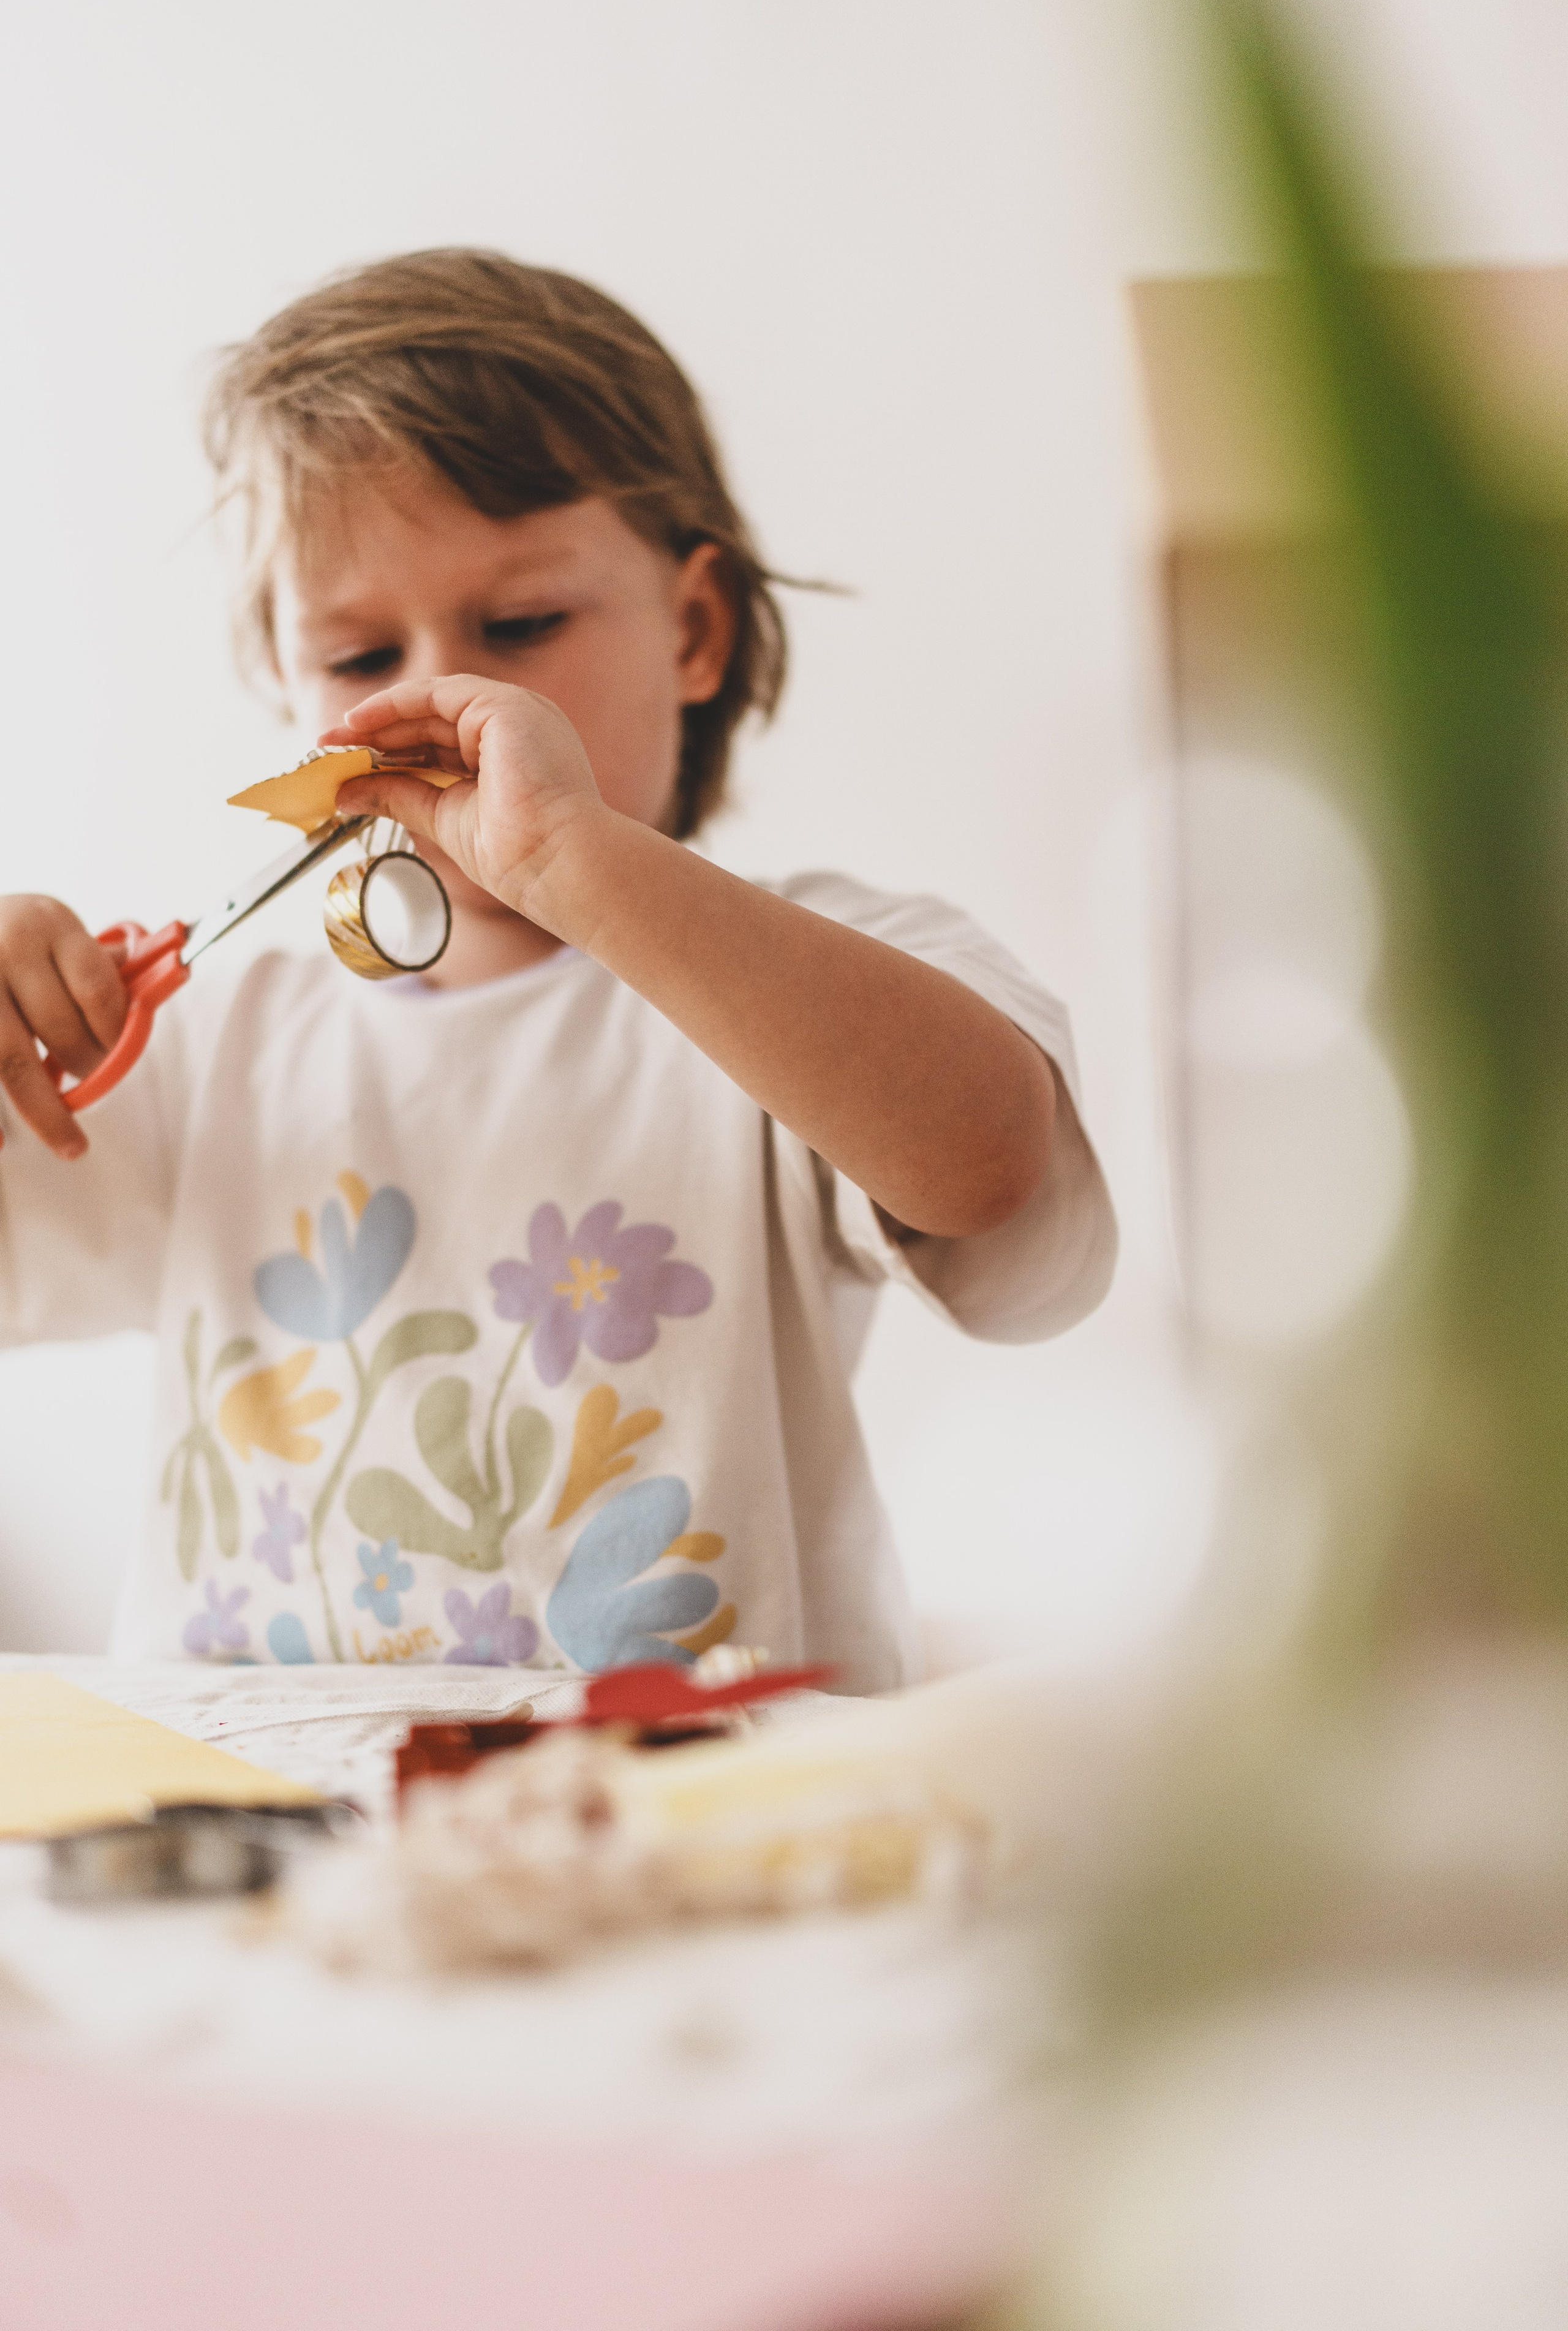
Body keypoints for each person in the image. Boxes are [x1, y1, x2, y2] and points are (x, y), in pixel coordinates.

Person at [0, 250, 1114, 1689]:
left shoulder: (812, 979)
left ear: (695, 632)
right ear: (280, 684)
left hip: (699, 1847)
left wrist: (574, 861)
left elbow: (995, 1185)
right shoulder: (209, 1043)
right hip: (256, 1855)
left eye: (520, 627)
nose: (440, 702)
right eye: (353, 654)